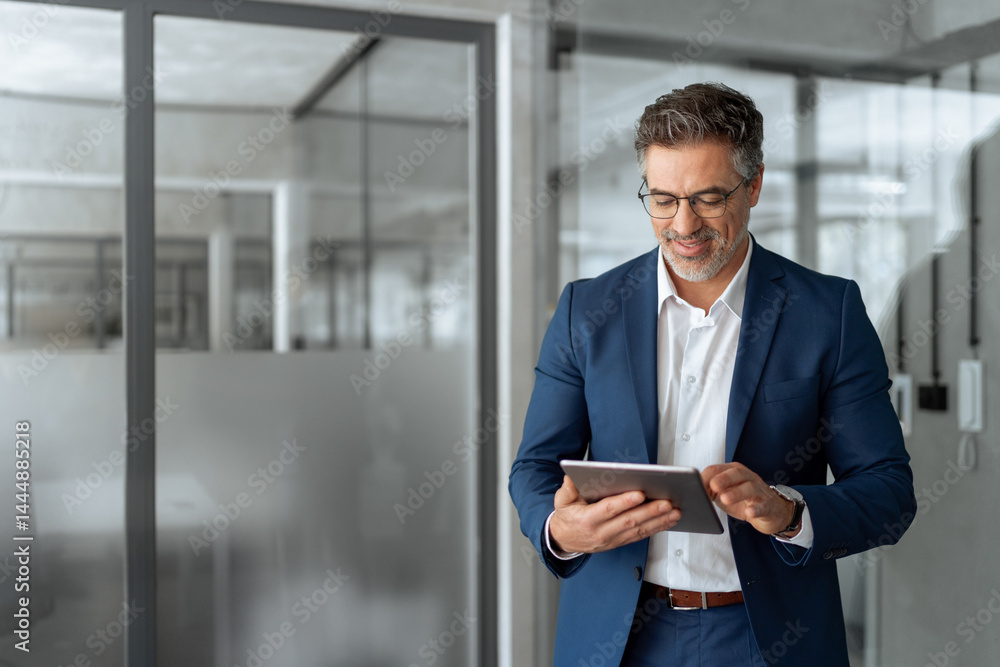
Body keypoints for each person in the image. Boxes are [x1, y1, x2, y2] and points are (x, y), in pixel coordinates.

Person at [508, 82, 916, 667]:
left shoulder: (829, 313)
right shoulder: (585, 310)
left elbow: (888, 493)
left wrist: (789, 510)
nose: (683, 224)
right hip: (617, 639)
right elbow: (534, 467)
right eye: (663, 198)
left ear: (753, 186)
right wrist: (558, 529)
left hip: (769, 638)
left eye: (707, 198)